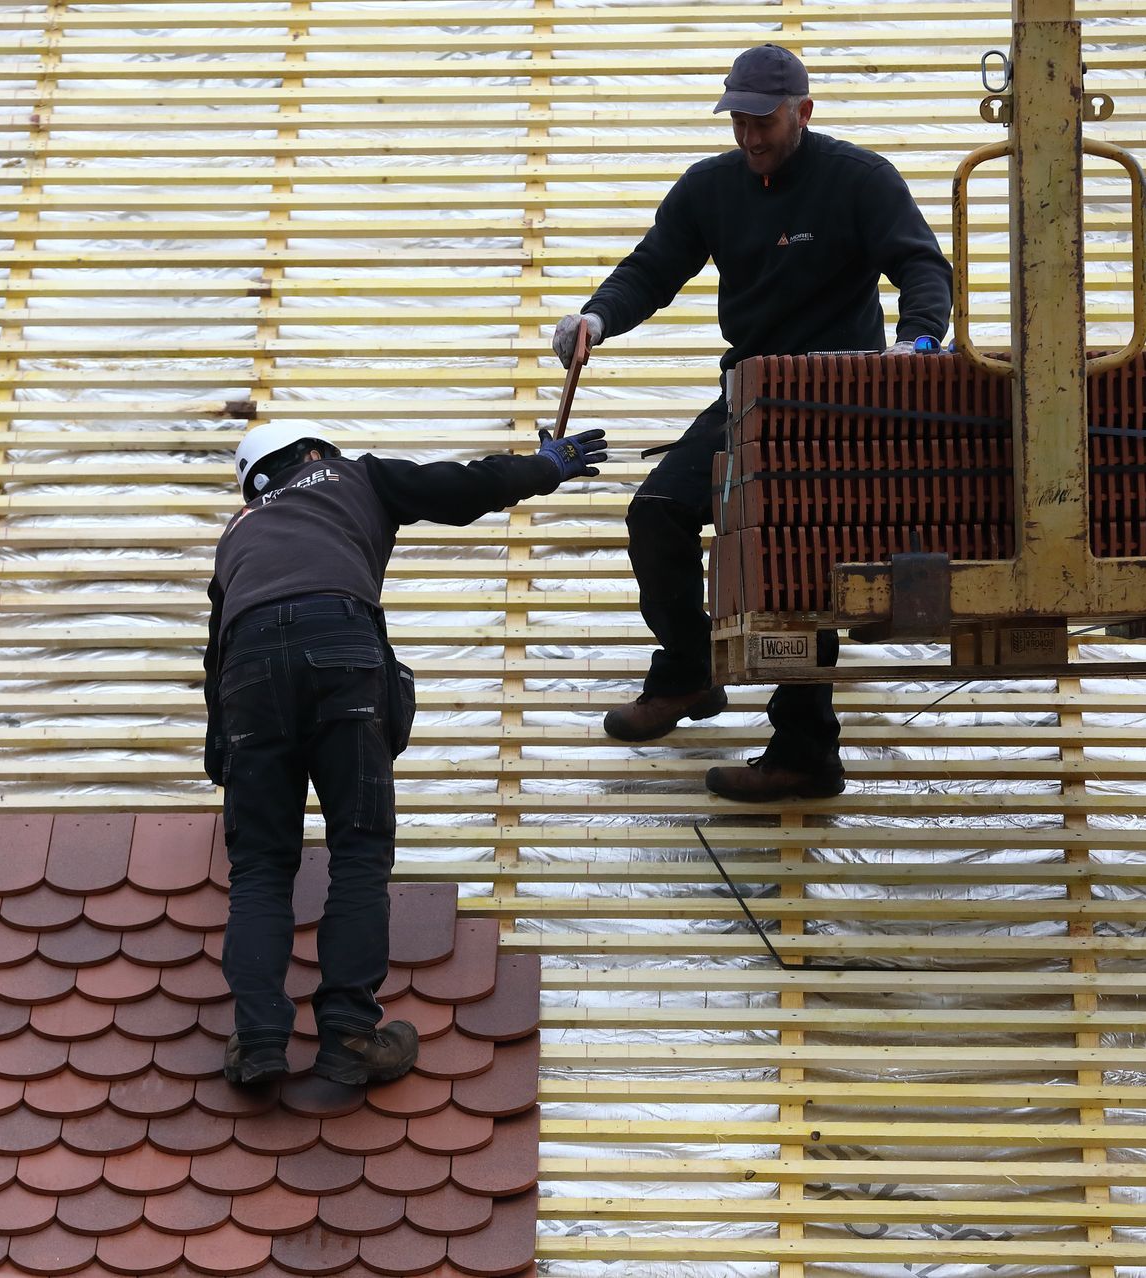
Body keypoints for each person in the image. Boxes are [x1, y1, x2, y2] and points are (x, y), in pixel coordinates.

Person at [552, 43, 952, 803]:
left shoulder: (858, 181)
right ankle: (690, 671)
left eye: (764, 120)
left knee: (796, 559)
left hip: (839, 398)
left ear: (803, 110)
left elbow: (923, 266)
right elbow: (651, 268)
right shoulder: (712, 189)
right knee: (658, 513)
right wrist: (597, 319)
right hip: (753, 388)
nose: (750, 136)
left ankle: (805, 753)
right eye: (738, 119)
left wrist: (917, 341)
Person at [204, 421, 609, 1086]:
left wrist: (225, 749)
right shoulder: (351, 475)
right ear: (310, 454)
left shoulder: (236, 532)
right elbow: (459, 488)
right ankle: (349, 1038)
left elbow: (218, 653)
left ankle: (259, 1043)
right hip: (338, 644)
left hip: (247, 676)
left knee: (259, 870)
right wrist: (546, 466)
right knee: (359, 851)